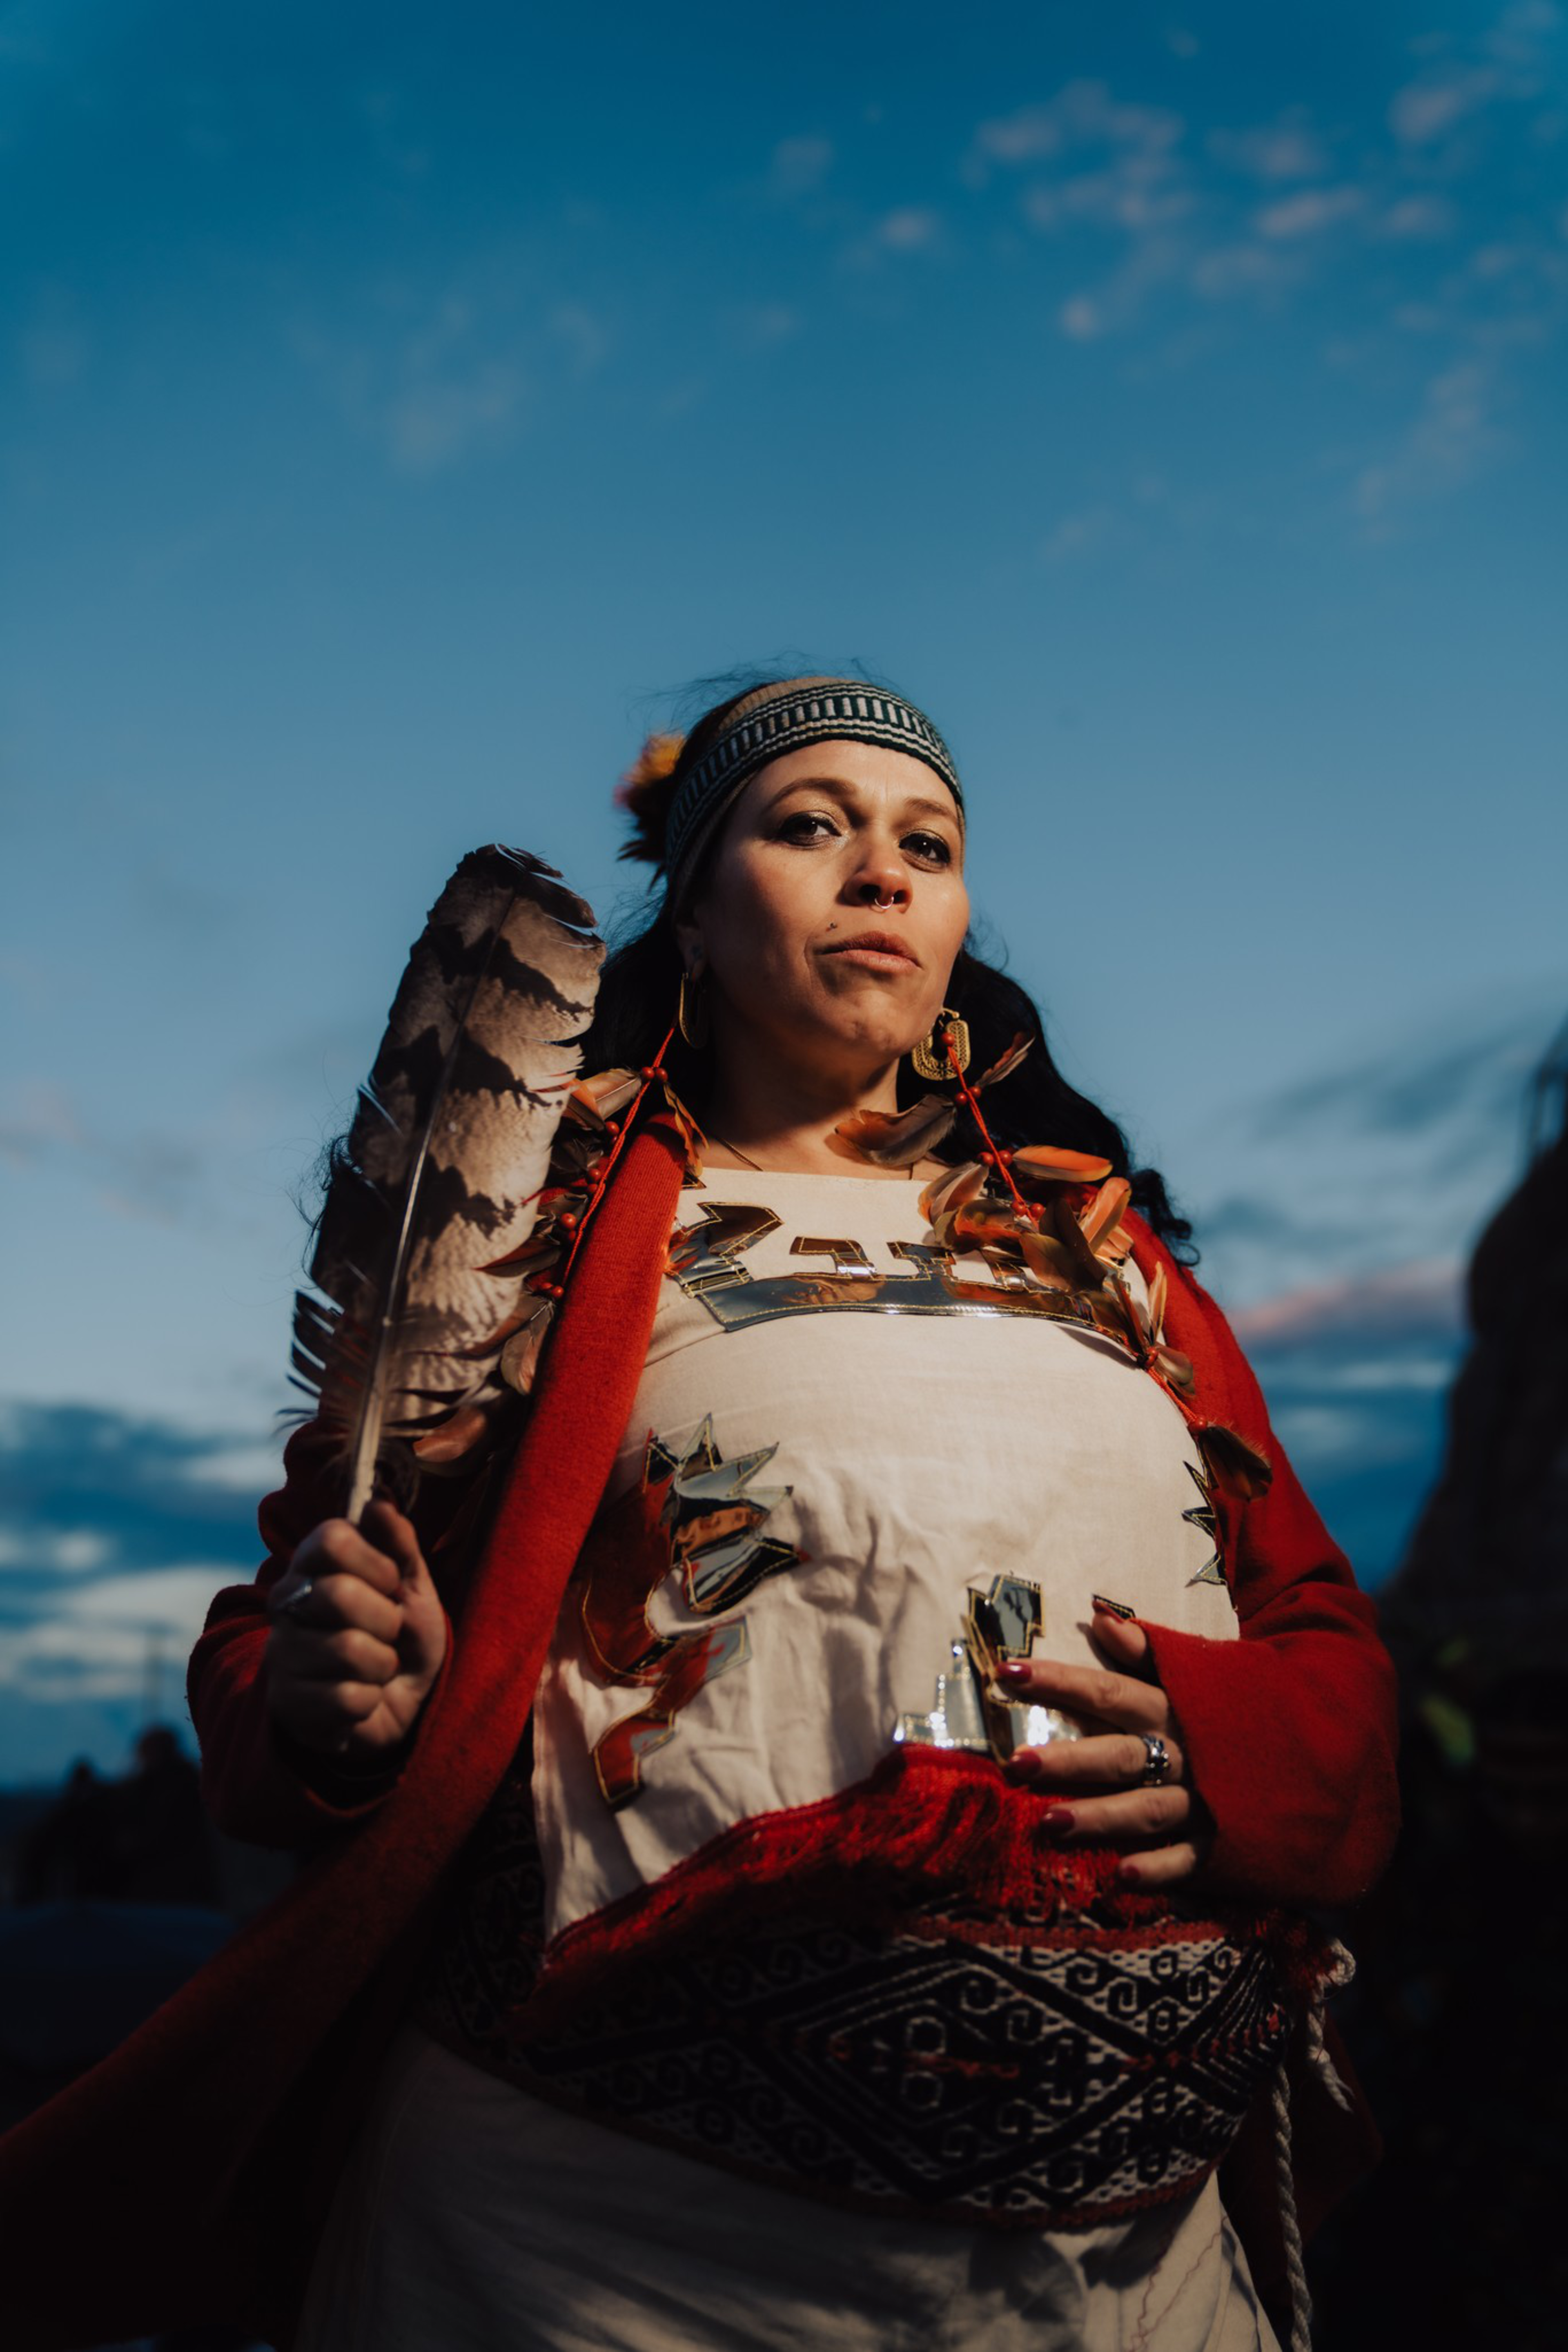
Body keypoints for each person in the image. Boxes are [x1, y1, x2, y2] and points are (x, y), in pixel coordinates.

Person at [0, 676, 1398, 2352]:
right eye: (811, 824)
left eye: (927, 844)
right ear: (699, 900)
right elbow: (281, 1635)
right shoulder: (546, 1232)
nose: (882, 871)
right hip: (604, 2259)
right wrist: (339, 1691)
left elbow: (1329, 1651)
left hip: (1111, 2285)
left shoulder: (1102, 1253)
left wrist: (1223, 1753)